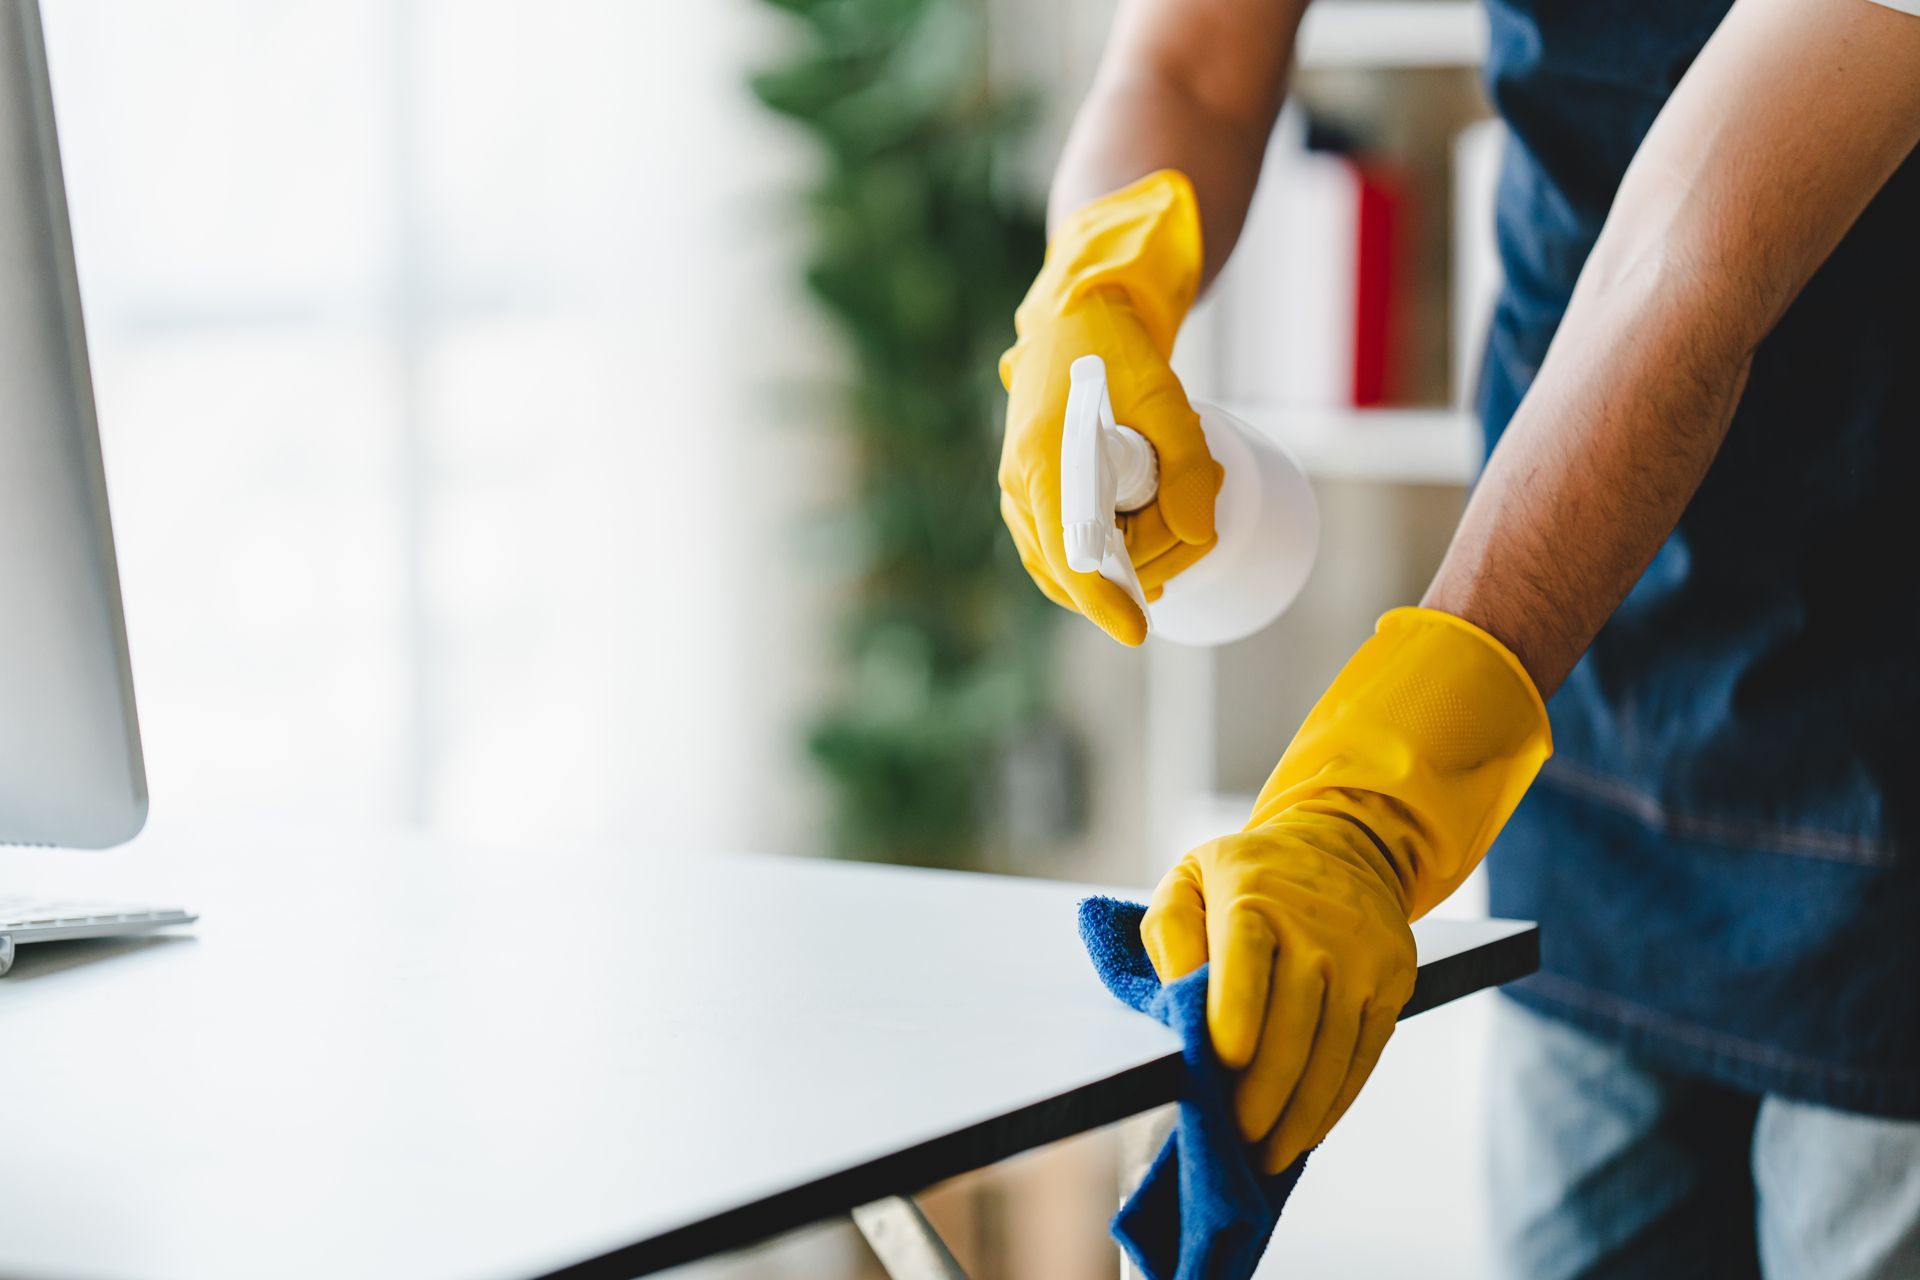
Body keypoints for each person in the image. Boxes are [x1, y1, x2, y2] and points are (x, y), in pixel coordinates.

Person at [995, 0, 1920, 1273]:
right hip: (1581, 696)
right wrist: (1093, 288)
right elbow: (1189, 64)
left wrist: (1384, 796)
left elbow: (1690, 270)